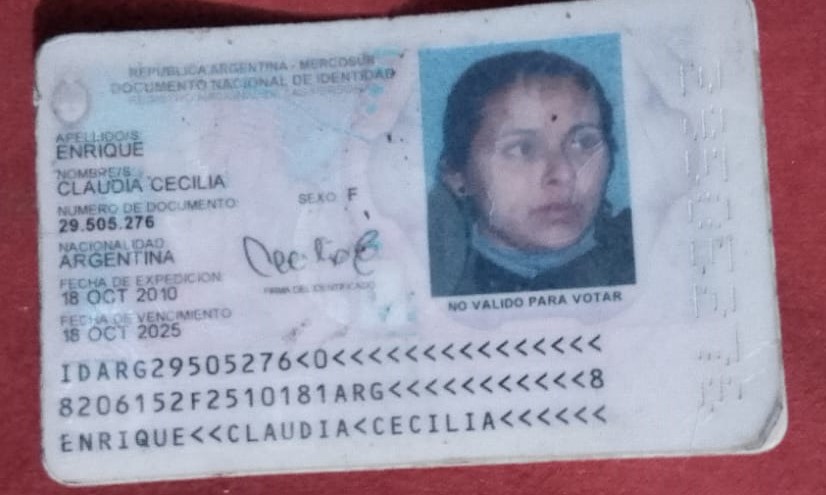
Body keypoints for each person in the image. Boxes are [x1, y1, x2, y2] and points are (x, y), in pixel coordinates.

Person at [428, 50, 635, 296]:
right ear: (457, 174)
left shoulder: (650, 254)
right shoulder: (427, 275)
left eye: (583, 142)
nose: (563, 174)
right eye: (523, 149)